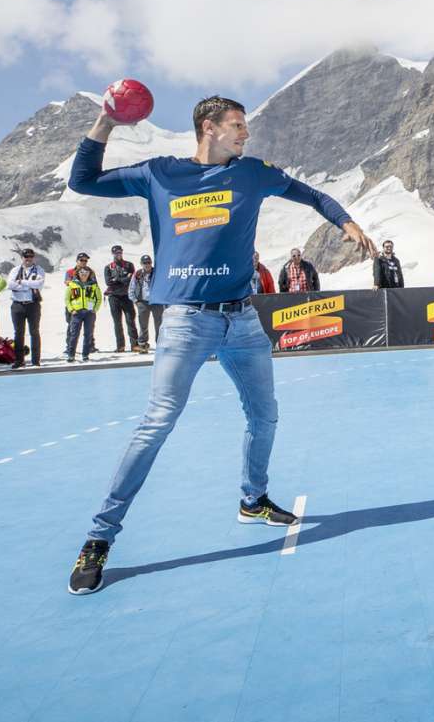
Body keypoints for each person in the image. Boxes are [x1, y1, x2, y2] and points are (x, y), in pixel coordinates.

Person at [62, 92, 376, 595]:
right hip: (186, 322)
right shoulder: (159, 174)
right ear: (208, 128)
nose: (245, 134)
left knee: (264, 414)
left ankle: (253, 499)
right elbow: (83, 181)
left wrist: (347, 221)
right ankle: (99, 539)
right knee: (156, 424)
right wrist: (105, 121)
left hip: (242, 320)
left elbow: (311, 194)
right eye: (237, 126)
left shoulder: (252, 173)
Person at [9, 248, 46, 369]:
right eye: (26, 256)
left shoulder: (39, 270)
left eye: (30, 256)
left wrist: (21, 282)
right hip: (17, 304)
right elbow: (10, 284)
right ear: (22, 258)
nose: (28, 259)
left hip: (32, 304)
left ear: (33, 257)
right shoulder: (15, 270)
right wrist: (27, 285)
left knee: (34, 332)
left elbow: (38, 284)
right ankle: (19, 361)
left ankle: (36, 361)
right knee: (18, 333)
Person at [101, 245, 139, 353]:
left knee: (130, 320)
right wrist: (123, 278)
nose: (118, 254)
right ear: (113, 254)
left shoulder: (129, 265)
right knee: (117, 322)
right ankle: (120, 346)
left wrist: (117, 279)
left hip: (126, 296)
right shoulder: (108, 267)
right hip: (114, 297)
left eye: (120, 252)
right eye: (116, 253)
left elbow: (132, 279)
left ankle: (134, 344)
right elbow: (108, 282)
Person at [64, 257, 101, 364]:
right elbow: (67, 298)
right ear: (78, 274)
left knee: (88, 334)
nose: (84, 274)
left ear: (89, 274)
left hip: (89, 313)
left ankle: (85, 354)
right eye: (82, 272)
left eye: (86, 272)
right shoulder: (73, 285)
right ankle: (71, 354)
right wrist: (71, 309)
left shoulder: (93, 285)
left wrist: (95, 309)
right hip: (77, 312)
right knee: (74, 334)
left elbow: (98, 298)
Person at [132, 253, 158, 354]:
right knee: (143, 324)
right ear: (141, 264)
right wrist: (135, 301)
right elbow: (132, 288)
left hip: (156, 302)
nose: (147, 265)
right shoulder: (138, 274)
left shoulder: (157, 272)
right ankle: (143, 344)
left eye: (149, 263)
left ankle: (159, 344)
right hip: (142, 302)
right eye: (145, 263)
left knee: (159, 323)